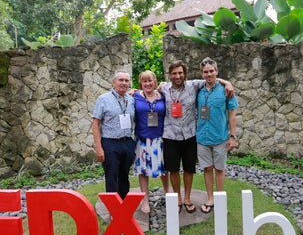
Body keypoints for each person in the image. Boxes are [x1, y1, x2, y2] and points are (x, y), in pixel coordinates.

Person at [160, 60, 233, 213]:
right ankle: (178, 199)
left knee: (188, 169)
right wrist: (135, 91)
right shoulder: (164, 88)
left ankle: (186, 198)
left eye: (180, 73)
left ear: (185, 74)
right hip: (170, 136)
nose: (177, 76)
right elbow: (149, 91)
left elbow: (211, 79)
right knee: (173, 170)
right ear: (170, 75)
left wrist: (227, 83)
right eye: (174, 73)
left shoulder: (194, 86)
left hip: (190, 136)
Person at [196, 57, 239, 214]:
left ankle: (220, 200)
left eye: (212, 71)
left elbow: (231, 114)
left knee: (220, 169)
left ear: (217, 71)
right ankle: (210, 199)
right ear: (202, 74)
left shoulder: (226, 90)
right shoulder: (198, 90)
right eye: (206, 72)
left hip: (220, 137)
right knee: (207, 169)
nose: (209, 74)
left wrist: (232, 136)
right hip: (202, 137)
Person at [92, 70, 135, 200]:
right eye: (120, 80)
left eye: (126, 81)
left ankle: (124, 206)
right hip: (110, 144)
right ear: (114, 82)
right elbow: (95, 124)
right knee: (111, 177)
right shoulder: (103, 99)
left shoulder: (131, 99)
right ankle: (113, 210)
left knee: (124, 176)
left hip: (127, 142)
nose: (123, 83)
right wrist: (99, 148)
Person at [132, 70, 169, 213]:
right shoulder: (135, 96)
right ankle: (145, 200)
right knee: (143, 171)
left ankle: (167, 192)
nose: (147, 84)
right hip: (142, 139)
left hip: (159, 139)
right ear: (141, 83)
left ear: (155, 82)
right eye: (144, 81)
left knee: (164, 169)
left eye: (150, 81)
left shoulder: (163, 96)